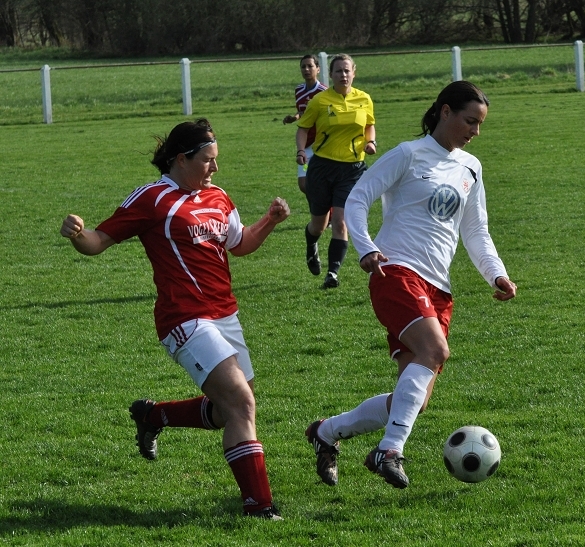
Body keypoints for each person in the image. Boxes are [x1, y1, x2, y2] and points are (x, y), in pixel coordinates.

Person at [59, 118, 288, 520]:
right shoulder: (152, 199)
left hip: (226, 316)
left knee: (225, 411)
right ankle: (260, 507)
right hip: (184, 319)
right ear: (181, 159)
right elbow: (99, 241)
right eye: (207, 160)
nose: (215, 168)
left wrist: (268, 220)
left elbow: (240, 244)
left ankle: (152, 415)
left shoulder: (217, 196)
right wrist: (78, 233)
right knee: (240, 404)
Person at [304, 81, 517, 489]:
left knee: (412, 400)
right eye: (470, 121)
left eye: (480, 124)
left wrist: (497, 274)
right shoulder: (408, 153)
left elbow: (476, 231)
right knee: (435, 350)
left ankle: (326, 433)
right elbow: (359, 198)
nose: (475, 131)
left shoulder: (471, 167)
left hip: (440, 288)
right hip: (395, 270)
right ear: (445, 112)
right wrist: (365, 249)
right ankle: (389, 450)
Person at [295, 53, 376, 289]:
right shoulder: (320, 101)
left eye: (347, 70)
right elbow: (302, 128)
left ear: (354, 72)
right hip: (322, 167)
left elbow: (369, 125)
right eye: (338, 71)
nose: (343, 75)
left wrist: (371, 142)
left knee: (341, 221)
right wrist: (301, 150)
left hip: (352, 169)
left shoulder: (364, 99)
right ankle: (311, 243)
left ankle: (332, 274)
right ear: (330, 75)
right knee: (319, 224)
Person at [282, 54, 328, 195]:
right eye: (303, 66)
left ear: (318, 69)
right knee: (304, 184)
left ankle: (327, 214)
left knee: (320, 181)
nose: (306, 69)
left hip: (322, 143)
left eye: (310, 66)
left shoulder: (324, 92)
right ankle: (323, 213)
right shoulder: (299, 90)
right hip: (306, 142)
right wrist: (294, 117)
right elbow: (302, 111)